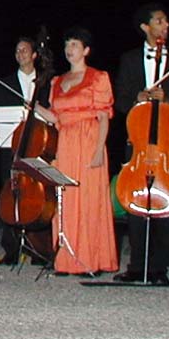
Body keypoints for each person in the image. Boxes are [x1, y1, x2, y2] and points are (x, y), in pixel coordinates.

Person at [113, 4, 169, 284]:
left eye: (166, 21)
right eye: (159, 21)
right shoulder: (129, 60)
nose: (165, 25)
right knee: (135, 206)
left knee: (168, 206)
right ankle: (137, 267)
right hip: (138, 144)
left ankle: (159, 268)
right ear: (145, 27)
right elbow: (121, 100)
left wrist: (168, 100)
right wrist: (137, 98)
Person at [47, 27, 117, 275]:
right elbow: (55, 117)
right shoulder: (57, 81)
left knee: (88, 199)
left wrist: (98, 150)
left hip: (88, 140)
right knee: (65, 198)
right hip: (65, 142)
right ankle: (65, 260)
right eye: (67, 44)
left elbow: (103, 116)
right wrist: (33, 108)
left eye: (75, 44)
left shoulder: (98, 77)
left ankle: (91, 259)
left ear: (86, 50)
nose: (69, 49)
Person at [0, 37, 54, 266]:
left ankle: (39, 248)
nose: (20, 54)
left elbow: (52, 112)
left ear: (34, 55)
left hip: (38, 145)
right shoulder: (5, 83)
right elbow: (0, 113)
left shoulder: (46, 83)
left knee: (39, 197)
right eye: (17, 51)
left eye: (25, 50)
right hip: (13, 146)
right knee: (11, 194)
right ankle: (11, 248)